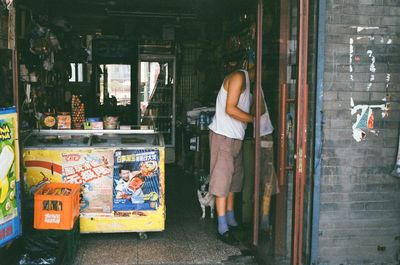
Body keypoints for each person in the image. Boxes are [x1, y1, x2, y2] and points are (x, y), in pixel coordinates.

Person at [208, 58, 254, 245]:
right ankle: (222, 227)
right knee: (222, 180)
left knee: (234, 180)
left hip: (236, 137)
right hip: (224, 137)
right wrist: (253, 119)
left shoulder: (248, 82)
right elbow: (230, 109)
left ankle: (230, 217)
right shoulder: (238, 77)